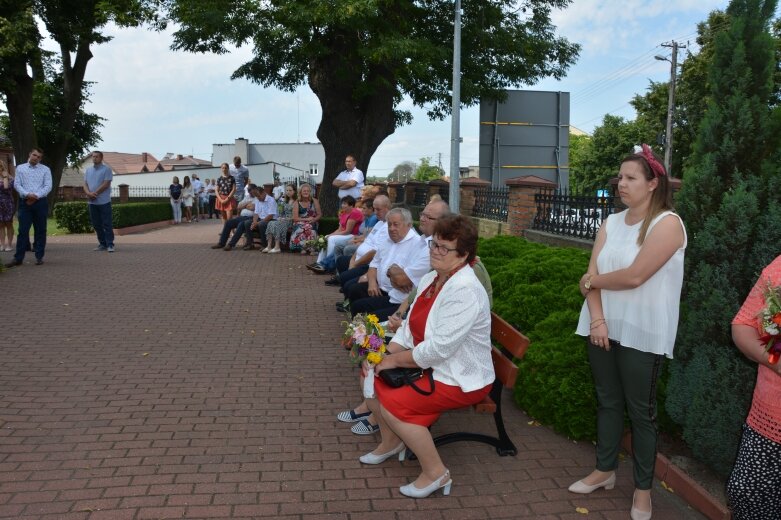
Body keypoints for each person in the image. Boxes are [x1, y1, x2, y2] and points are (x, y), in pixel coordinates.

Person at [570, 144, 686, 520]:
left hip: (643, 330)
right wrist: (598, 319)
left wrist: (593, 281)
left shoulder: (668, 224)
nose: (621, 183)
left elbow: (635, 276)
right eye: (620, 177)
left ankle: (642, 491)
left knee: (641, 413)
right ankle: (604, 471)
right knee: (607, 401)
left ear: (653, 183)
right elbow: (588, 281)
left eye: (630, 178)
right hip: (601, 325)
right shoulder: (610, 223)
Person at [358, 215, 494, 498]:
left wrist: (393, 361)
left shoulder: (465, 289)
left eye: (445, 248)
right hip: (431, 365)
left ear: (464, 255)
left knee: (395, 403)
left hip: (460, 376)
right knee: (368, 368)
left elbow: (438, 350)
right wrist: (386, 352)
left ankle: (436, 473)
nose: (435, 251)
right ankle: (391, 442)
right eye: (434, 244)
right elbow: (409, 327)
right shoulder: (434, 277)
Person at [727, 255, 781, 520]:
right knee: (747, 495)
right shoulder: (780, 266)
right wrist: (775, 359)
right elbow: (743, 324)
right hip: (768, 419)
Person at [346, 207, 429, 321]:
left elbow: (402, 281)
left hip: (395, 295)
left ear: (408, 225)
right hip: (379, 287)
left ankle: (363, 331)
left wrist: (393, 275)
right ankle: (357, 330)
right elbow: (374, 264)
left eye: (396, 224)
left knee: (362, 307)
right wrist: (371, 282)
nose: (391, 228)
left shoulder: (416, 244)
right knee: (354, 290)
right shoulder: (387, 240)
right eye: (389, 225)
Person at [6, 148, 52, 268]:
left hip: (40, 203)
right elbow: (17, 184)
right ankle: (18, 258)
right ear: (29, 154)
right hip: (25, 203)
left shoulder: (45, 170)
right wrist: (27, 194)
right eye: (34, 155)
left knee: (41, 230)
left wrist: (36, 196)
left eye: (38, 157)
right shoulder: (20, 168)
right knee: (23, 231)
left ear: (40, 158)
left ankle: (39, 256)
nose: (35, 158)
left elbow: (48, 186)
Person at [307, 195, 362, 272]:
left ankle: (329, 266)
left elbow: (348, 231)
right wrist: (330, 234)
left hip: (353, 235)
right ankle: (319, 262)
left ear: (351, 205)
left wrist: (332, 236)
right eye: (342, 203)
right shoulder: (344, 213)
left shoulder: (354, 213)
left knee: (332, 239)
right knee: (326, 237)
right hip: (346, 234)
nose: (342, 205)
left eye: (345, 204)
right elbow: (340, 229)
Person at [210, 184, 261, 250]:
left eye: (250, 190)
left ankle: (231, 245)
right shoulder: (247, 197)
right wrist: (247, 204)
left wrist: (244, 206)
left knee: (240, 225)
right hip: (242, 217)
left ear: (255, 189)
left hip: (251, 218)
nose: (249, 192)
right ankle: (221, 243)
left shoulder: (258, 197)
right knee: (228, 222)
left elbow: (253, 207)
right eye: (248, 190)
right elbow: (238, 206)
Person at [83, 151, 115, 252]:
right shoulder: (88, 170)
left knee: (107, 224)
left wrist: (94, 194)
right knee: (96, 224)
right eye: (93, 156)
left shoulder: (107, 169)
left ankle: (110, 244)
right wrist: (88, 193)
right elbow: (84, 184)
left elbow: (106, 184)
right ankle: (102, 244)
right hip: (92, 203)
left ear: (101, 158)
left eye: (96, 157)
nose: (94, 158)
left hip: (104, 202)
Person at [289, 183, 321, 254]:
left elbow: (319, 214)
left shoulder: (314, 201)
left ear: (310, 192)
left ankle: (311, 248)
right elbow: (295, 218)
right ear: (300, 192)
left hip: (312, 221)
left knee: (309, 227)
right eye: (304, 191)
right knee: (302, 227)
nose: (306, 192)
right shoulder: (297, 202)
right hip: (299, 221)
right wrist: (306, 219)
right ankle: (302, 248)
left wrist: (314, 219)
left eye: (307, 191)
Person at [264, 183, 296, 253]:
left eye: (290, 190)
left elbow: (295, 216)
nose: (288, 192)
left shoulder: (296, 202)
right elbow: (282, 213)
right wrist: (280, 217)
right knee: (271, 223)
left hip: (292, 221)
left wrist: (286, 219)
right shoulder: (285, 201)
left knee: (278, 225)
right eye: (287, 190)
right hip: (284, 220)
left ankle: (277, 247)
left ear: (294, 191)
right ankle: (269, 246)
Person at [243, 186, 277, 250]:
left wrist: (258, 223)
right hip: (261, 219)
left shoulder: (271, 200)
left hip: (271, 220)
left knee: (261, 224)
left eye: (259, 196)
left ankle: (264, 245)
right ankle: (250, 244)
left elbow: (270, 215)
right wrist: (254, 222)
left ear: (264, 193)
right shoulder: (258, 200)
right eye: (257, 197)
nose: (258, 198)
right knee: (247, 223)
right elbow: (256, 213)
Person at [0, 161, 15, 252]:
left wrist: (5, 176)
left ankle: (9, 244)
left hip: (8, 203)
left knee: (9, 223)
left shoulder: (10, 178)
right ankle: (2, 244)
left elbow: (6, 187)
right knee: (0, 224)